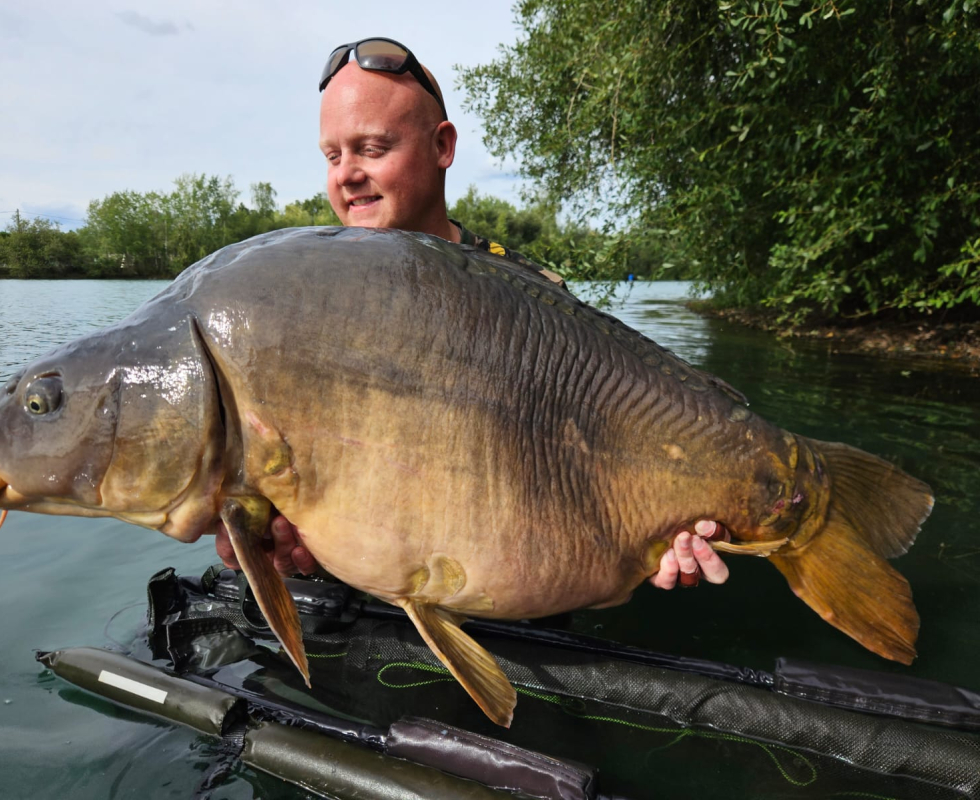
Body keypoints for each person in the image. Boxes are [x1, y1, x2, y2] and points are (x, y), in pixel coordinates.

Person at [216, 37, 730, 590]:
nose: (346, 175)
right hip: (367, 597)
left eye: (372, 149)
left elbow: (594, 475)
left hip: (518, 589)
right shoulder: (304, 302)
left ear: (442, 146)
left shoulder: (532, 298)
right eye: (333, 156)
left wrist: (660, 530)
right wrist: (262, 535)